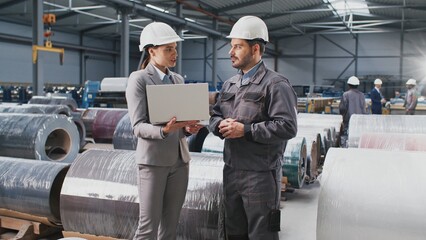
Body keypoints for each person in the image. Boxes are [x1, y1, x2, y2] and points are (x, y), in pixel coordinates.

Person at [209, 16, 298, 240]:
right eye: (232, 46)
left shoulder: (276, 84)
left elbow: (287, 126)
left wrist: (246, 130)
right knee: (233, 232)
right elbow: (214, 115)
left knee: (262, 235)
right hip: (231, 171)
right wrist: (219, 125)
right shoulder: (230, 84)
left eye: (238, 46)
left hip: (260, 175)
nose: (231, 52)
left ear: (255, 48)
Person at [126, 22, 203, 240]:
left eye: (175, 49)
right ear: (152, 51)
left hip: (180, 162)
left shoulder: (177, 79)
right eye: (168, 49)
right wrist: (164, 130)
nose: (174, 54)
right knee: (148, 228)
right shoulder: (139, 80)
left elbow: (180, 124)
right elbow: (138, 126)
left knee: (170, 228)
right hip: (153, 162)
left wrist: (187, 129)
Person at [339, 76, 366, 146]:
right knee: (359, 139)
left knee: (348, 139)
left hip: (349, 120)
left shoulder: (346, 95)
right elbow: (364, 109)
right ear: (357, 85)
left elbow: (342, 109)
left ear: (348, 85)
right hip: (360, 121)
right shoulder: (362, 95)